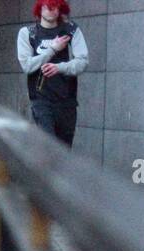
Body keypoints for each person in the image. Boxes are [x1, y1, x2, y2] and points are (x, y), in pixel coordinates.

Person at [17, 1, 89, 147]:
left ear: (61, 8)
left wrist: (60, 67)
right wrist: (53, 49)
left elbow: (83, 61)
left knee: (64, 152)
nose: (51, 10)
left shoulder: (71, 29)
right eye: (47, 6)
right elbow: (27, 65)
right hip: (41, 100)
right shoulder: (28, 33)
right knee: (48, 147)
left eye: (55, 6)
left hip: (67, 101)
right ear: (39, 8)